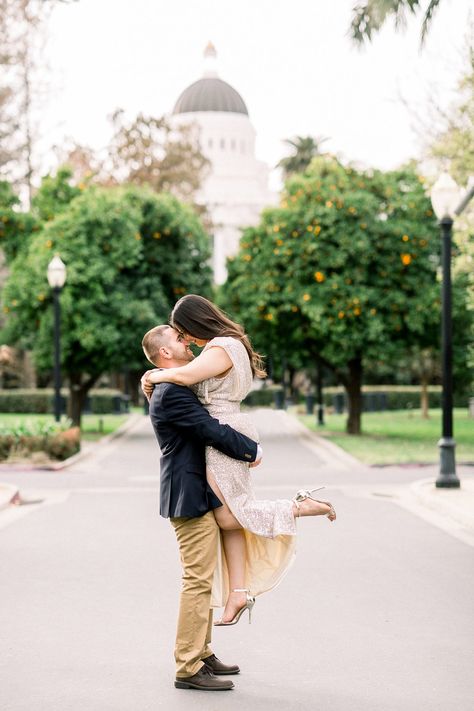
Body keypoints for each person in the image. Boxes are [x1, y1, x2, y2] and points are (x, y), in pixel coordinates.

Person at [142, 295, 336, 629]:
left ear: (196, 322)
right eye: (180, 336)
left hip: (223, 435)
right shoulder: (226, 345)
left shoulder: (220, 348)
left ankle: (300, 507)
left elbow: (186, 377)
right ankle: (239, 591)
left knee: (233, 515)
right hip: (226, 430)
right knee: (231, 517)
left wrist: (153, 376)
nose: (187, 340)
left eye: (184, 332)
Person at [142, 324, 263, 691]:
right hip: (188, 494)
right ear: (165, 353)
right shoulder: (171, 393)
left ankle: (202, 651)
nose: (187, 341)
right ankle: (187, 667)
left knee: (203, 578)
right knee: (196, 580)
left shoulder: (174, 384)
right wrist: (251, 449)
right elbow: (208, 428)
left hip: (197, 491)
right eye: (178, 339)